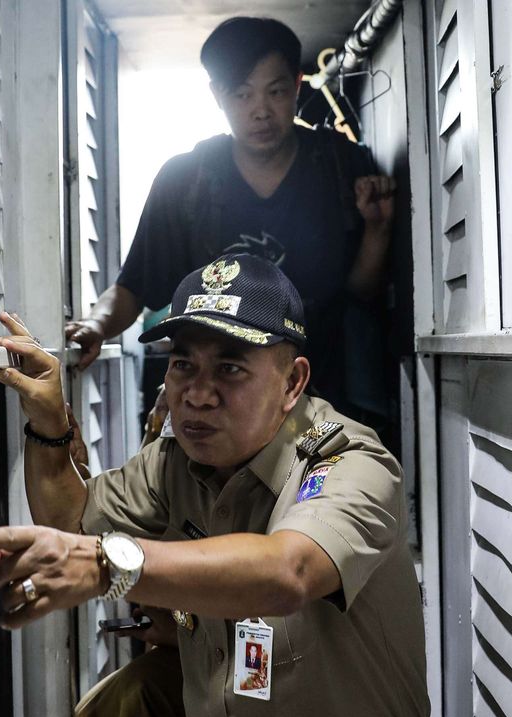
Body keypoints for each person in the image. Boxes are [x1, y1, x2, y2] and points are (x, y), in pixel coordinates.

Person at [0, 254, 429, 717]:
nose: (197, 393)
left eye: (230, 368)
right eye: (183, 364)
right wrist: (49, 421)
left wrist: (107, 566)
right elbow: (75, 521)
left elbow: (289, 571)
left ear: (292, 381)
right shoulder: (178, 459)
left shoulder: (349, 463)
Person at [65, 16, 395, 426]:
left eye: (275, 91)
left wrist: (378, 227)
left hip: (321, 401)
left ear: (296, 85)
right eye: (241, 94)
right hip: (213, 402)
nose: (261, 111)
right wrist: (95, 325)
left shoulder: (338, 165)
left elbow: (361, 293)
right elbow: (134, 286)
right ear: (217, 95)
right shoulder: (186, 180)